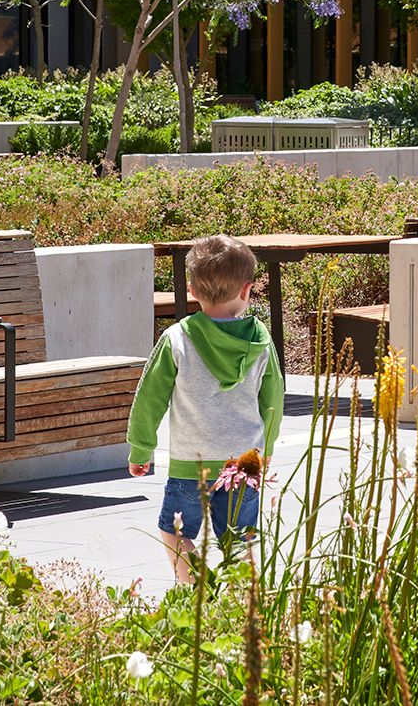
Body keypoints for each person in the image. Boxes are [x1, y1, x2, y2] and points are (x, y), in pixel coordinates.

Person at [125, 234, 284, 583]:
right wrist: (267, 449)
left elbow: (149, 398)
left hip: (190, 465)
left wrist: (141, 448)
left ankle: (199, 592)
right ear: (246, 290)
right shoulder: (260, 341)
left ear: (192, 290)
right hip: (245, 463)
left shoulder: (177, 339)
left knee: (175, 532)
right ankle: (240, 604)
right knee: (241, 539)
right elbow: (273, 400)